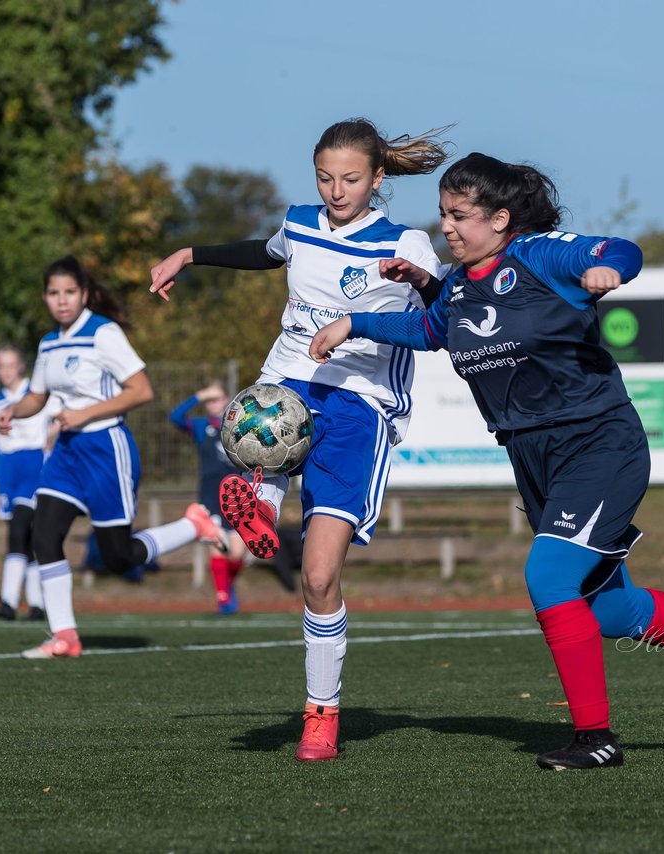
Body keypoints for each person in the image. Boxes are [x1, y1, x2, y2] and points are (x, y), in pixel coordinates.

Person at [309, 152, 664, 770]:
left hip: (598, 443)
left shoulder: (535, 255)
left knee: (549, 579)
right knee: (607, 610)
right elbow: (430, 332)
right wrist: (354, 324)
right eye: (443, 213)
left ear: (501, 219)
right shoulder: (461, 287)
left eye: (461, 215)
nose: (447, 226)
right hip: (533, 458)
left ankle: (596, 738)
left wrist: (608, 270)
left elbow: (621, 249)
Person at [149, 118, 452, 761]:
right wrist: (189, 253)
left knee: (318, 577)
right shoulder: (303, 223)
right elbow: (267, 251)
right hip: (287, 385)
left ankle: (322, 710)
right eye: (324, 177)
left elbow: (445, 309)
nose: (336, 190)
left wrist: (417, 283)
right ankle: (259, 498)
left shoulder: (407, 241)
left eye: (349, 179)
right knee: (262, 425)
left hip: (359, 406)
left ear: (377, 179)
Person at [0, 255, 227, 660]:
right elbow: (37, 396)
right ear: (46, 298)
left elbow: (141, 390)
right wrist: (12, 411)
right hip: (66, 455)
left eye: (70, 292)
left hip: (106, 449)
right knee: (43, 536)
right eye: (54, 293)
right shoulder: (49, 343)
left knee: (119, 557)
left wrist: (84, 413)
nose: (62, 300)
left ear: (84, 294)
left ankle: (194, 524)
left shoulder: (103, 334)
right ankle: (64, 636)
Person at [0, 344, 61, 621]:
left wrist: (51, 439)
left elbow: (58, 420)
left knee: (21, 528)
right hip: (8, 468)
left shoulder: (37, 394)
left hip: (34, 464)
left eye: (11, 365)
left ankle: (8, 600)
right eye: (1, 366)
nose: (6, 371)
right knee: (21, 531)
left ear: (21, 366)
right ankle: (36, 603)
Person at [168, 382, 250, 615]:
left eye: (218, 399)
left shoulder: (238, 427)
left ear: (227, 401)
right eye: (209, 401)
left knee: (236, 554)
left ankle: (227, 585)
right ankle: (223, 598)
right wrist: (200, 393)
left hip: (237, 495)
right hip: (211, 496)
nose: (213, 404)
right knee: (217, 546)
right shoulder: (201, 426)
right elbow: (175, 417)